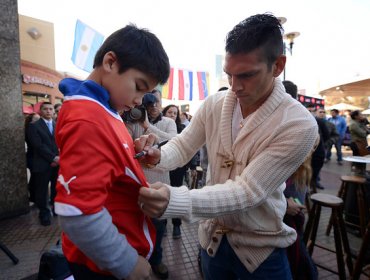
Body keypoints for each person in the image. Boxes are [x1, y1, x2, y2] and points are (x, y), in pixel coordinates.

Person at [136, 14, 318, 280]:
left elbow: (248, 192)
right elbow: (184, 146)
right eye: (229, 75)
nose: (235, 86)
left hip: (261, 252)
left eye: (247, 75)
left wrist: (175, 200)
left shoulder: (299, 124)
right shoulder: (215, 103)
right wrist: (158, 155)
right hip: (212, 243)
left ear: (278, 65)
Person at [54, 24, 170, 279]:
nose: (140, 100)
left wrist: (132, 153)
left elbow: (106, 166)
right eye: (139, 86)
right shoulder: (88, 118)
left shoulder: (104, 109)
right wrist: (126, 262)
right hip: (102, 265)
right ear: (110, 62)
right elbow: (78, 214)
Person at [126, 90, 176, 279]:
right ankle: (137, 261)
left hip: (161, 182)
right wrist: (134, 123)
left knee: (158, 227)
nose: (154, 107)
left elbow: (173, 141)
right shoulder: (132, 123)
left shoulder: (169, 122)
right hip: (137, 183)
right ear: (143, 106)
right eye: (149, 104)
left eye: (156, 103)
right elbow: (126, 147)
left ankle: (157, 260)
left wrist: (147, 126)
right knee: (134, 226)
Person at [162, 104, 186, 238]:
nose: (172, 115)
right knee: (164, 193)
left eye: (175, 113)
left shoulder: (182, 129)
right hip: (162, 167)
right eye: (169, 112)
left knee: (176, 195)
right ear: (164, 113)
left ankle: (177, 226)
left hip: (177, 167)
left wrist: (192, 166)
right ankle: (163, 223)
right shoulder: (159, 126)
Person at [306, 104, 329, 191]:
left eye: (312, 111)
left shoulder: (320, 122)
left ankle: (314, 185)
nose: (310, 113)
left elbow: (327, 136)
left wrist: (321, 144)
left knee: (315, 172)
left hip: (317, 152)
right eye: (309, 111)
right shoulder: (302, 121)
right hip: (307, 154)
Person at [24, 112, 40, 203]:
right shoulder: (29, 130)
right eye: (36, 119)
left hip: (34, 157)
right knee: (35, 177)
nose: (39, 121)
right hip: (32, 157)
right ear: (30, 121)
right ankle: (33, 195)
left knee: (35, 177)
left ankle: (33, 195)